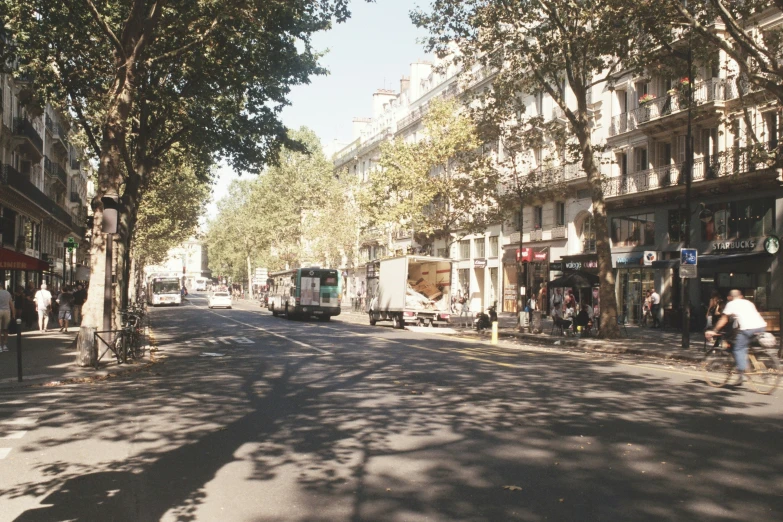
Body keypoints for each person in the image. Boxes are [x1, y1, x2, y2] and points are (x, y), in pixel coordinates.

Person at [706, 289, 767, 382]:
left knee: (738, 349)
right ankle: (746, 368)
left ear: (730, 297)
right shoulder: (748, 302)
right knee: (743, 346)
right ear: (741, 296)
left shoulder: (731, 304)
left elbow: (724, 320)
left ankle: (743, 373)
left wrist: (714, 331)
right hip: (761, 327)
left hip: (747, 329)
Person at [0, 282, 16, 352]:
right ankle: (5, 345)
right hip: (7, 311)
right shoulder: (7, 293)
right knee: (6, 329)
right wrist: (13, 314)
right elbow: (11, 304)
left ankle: (0, 346)